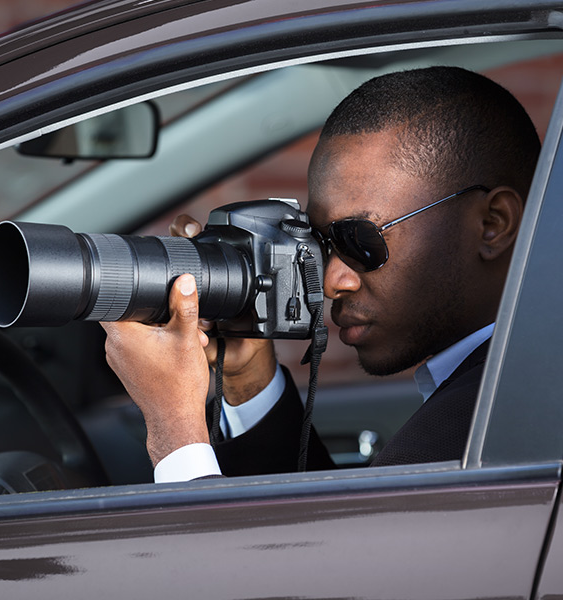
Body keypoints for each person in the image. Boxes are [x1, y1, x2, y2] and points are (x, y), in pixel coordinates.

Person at [101, 66, 541, 482]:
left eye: (360, 240)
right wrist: (247, 377)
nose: (332, 281)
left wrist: (173, 428)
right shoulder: (507, 383)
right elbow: (322, 535)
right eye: (320, 242)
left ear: (492, 223)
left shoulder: (506, 418)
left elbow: (288, 564)